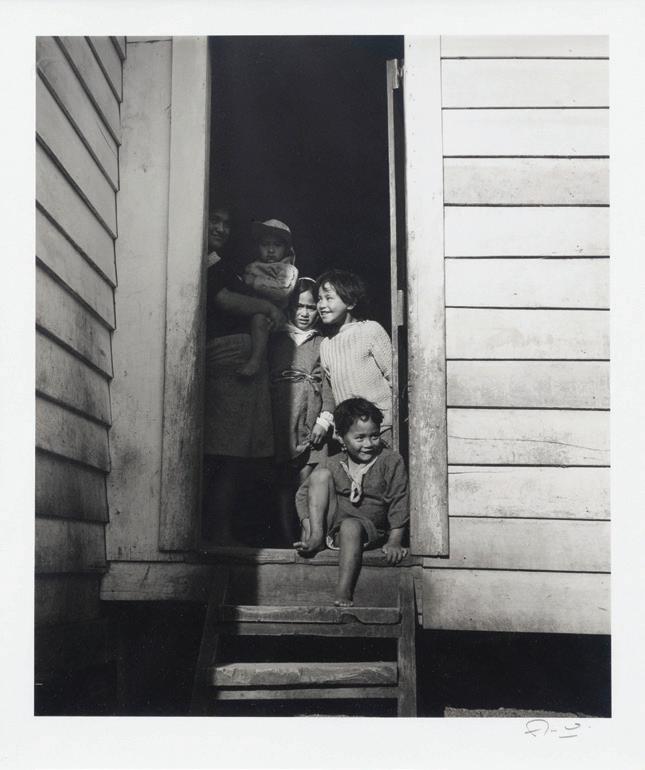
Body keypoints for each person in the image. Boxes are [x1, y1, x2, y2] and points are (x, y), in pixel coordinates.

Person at [202, 205, 286, 545]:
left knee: (236, 454)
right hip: (229, 359)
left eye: (226, 224)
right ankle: (218, 533)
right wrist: (267, 307)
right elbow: (223, 299)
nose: (221, 229)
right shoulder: (204, 261)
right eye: (214, 221)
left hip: (242, 357)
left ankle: (223, 531)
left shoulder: (220, 261)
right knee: (227, 453)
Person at [294, 398, 409, 606]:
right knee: (319, 477)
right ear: (340, 437)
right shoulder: (333, 462)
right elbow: (302, 495)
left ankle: (344, 590)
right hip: (334, 528)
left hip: (367, 529)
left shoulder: (390, 461)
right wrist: (309, 526)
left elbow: (399, 501)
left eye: (374, 436)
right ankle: (317, 537)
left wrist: (394, 541)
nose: (368, 444)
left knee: (350, 525)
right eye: (360, 438)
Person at [268, 277, 334, 541]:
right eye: (299, 306)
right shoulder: (276, 339)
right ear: (289, 307)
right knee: (283, 483)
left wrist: (324, 420)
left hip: (311, 423)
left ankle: (308, 536)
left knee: (305, 484)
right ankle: (287, 538)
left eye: (310, 307)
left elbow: (328, 385)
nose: (305, 313)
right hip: (281, 422)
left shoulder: (322, 343)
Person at [316, 269, 394, 444]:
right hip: (350, 433)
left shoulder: (370, 330)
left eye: (329, 298)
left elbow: (394, 379)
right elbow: (335, 393)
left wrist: (390, 418)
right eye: (319, 299)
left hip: (381, 429)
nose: (321, 305)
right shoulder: (326, 345)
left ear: (350, 303)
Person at [237, 219, 299, 378]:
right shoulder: (252, 266)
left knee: (259, 319)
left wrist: (255, 282)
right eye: (265, 244)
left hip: (273, 316)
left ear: (286, 249)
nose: (271, 250)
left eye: (277, 245)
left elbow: (283, 290)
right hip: (248, 311)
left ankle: (255, 361)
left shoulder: (287, 269)